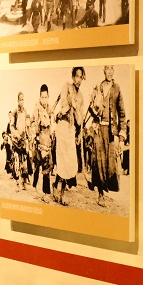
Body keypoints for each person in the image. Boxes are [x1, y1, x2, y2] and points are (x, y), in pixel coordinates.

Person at [84, 66, 126, 206]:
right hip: (98, 129)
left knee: (110, 163)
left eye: (112, 69)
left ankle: (105, 188)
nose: (110, 71)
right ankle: (100, 194)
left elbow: (122, 113)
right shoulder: (98, 87)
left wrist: (121, 136)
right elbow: (90, 108)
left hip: (111, 131)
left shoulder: (117, 88)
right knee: (99, 161)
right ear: (104, 71)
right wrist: (95, 110)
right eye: (107, 68)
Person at [51, 67, 85, 205]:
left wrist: (75, 108)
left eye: (81, 77)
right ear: (72, 77)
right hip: (62, 126)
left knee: (69, 162)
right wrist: (70, 105)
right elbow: (63, 107)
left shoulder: (81, 96)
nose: (78, 80)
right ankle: (57, 188)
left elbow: (80, 119)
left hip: (71, 130)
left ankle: (62, 192)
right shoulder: (66, 87)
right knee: (62, 160)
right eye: (76, 76)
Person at [31, 84, 55, 201]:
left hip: (48, 141)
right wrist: (35, 136)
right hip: (40, 141)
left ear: (48, 97)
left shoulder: (50, 109)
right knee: (39, 166)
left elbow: (53, 124)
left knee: (46, 166)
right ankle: (38, 190)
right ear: (40, 97)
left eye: (46, 97)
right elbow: (33, 124)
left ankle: (43, 192)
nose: (44, 99)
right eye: (42, 97)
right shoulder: (37, 109)